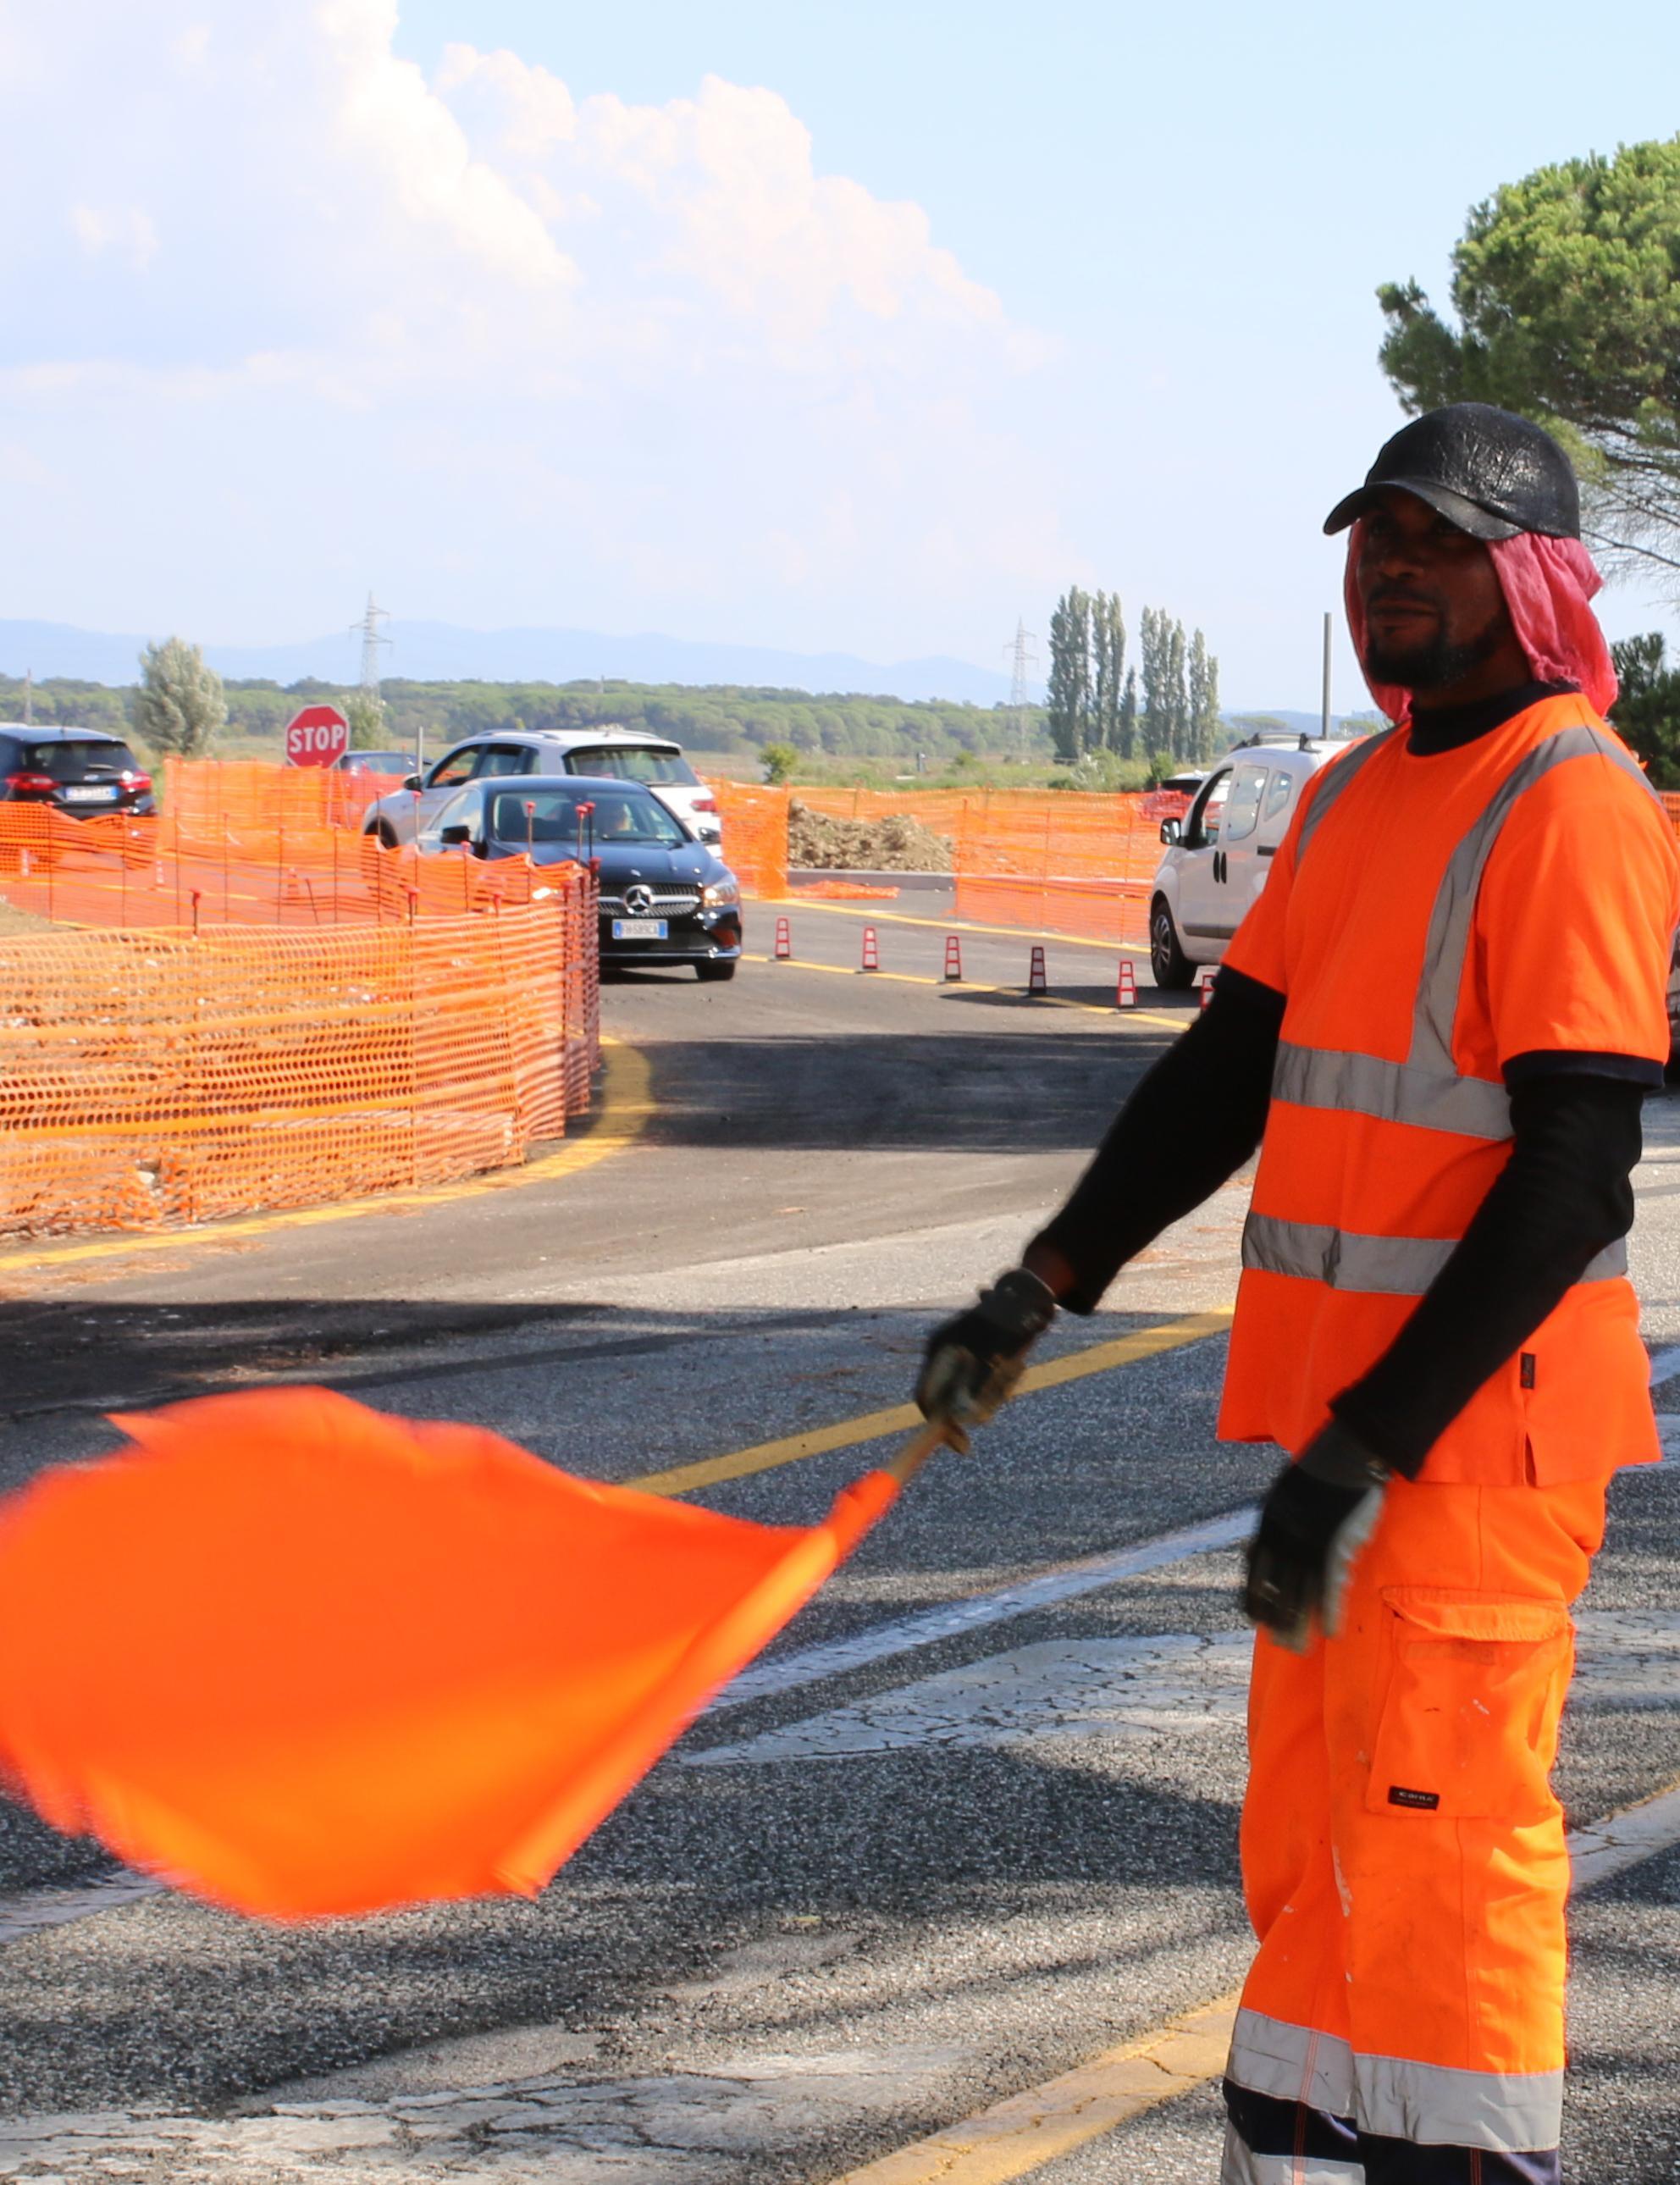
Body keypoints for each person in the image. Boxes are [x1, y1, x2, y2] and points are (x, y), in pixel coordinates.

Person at [915, 403, 1680, 2185]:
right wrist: (1036, 1288)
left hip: (1463, 1455)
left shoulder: (1571, 803)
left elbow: (1570, 1175)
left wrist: (1365, 1447)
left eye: (1432, 539)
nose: (1388, 567)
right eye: (1368, 539)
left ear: (1526, 577)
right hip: (1342, 1445)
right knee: (1317, 1835)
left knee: (1442, 1839)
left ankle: (1470, 2162)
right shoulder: (1348, 797)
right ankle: (1301, 2141)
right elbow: (1220, 1073)